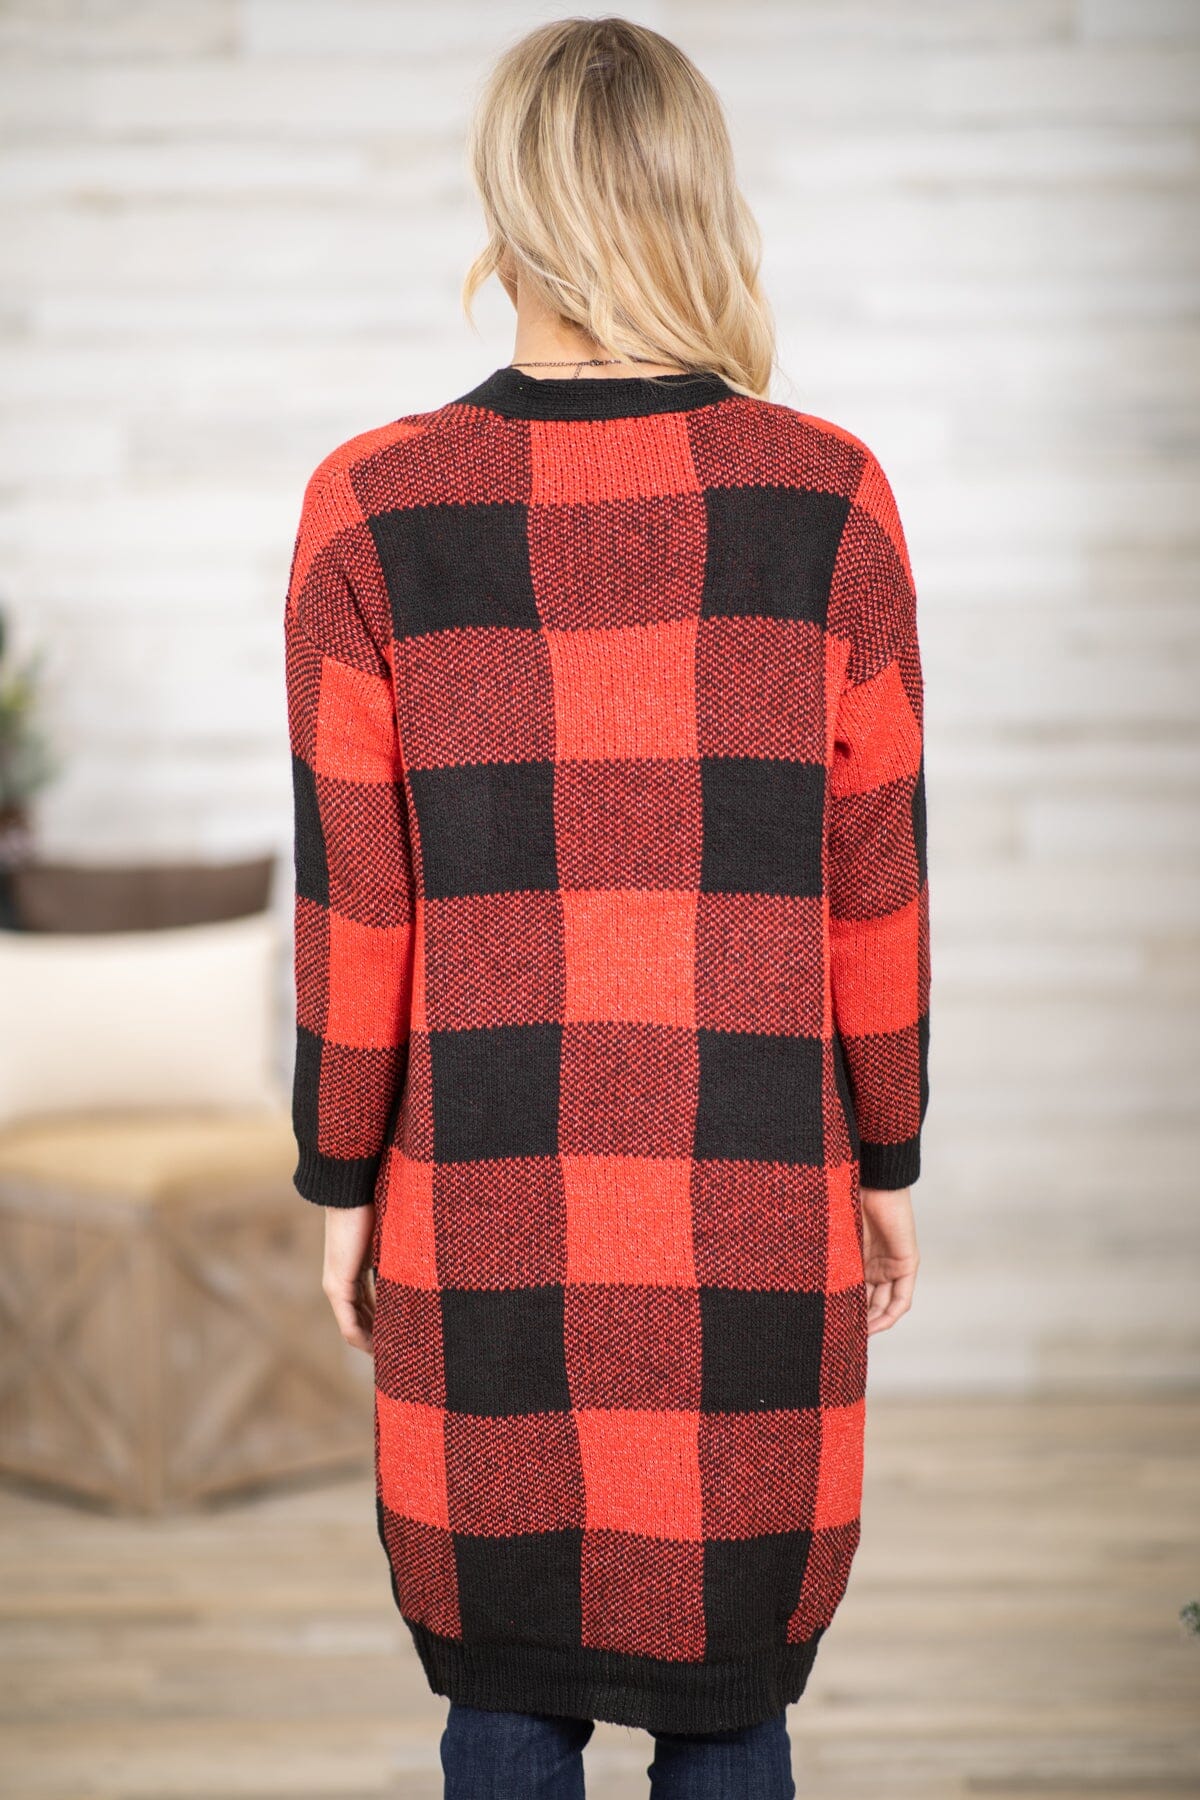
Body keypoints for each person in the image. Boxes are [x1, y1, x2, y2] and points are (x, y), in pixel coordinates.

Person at [284, 15, 928, 1798]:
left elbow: (359, 910)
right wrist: (884, 1157)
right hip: (752, 1199)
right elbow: (875, 884)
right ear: (692, 198)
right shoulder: (828, 496)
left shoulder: (371, 508)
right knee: (733, 1704)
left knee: (502, 1685)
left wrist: (340, 1180)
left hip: (480, 1198)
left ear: (510, 209)